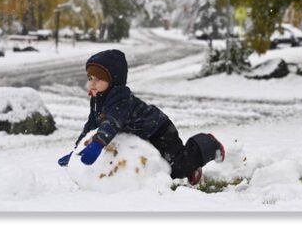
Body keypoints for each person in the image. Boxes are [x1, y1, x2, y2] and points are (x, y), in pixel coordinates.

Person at [58, 49, 225, 185]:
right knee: (162, 169)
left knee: (176, 165)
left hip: (158, 129)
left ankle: (208, 144)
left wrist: (98, 144)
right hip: (143, 133)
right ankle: (191, 169)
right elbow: (91, 126)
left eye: (98, 78)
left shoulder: (119, 97)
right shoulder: (98, 99)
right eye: (90, 78)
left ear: (113, 80)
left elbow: (112, 122)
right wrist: (76, 151)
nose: (92, 83)